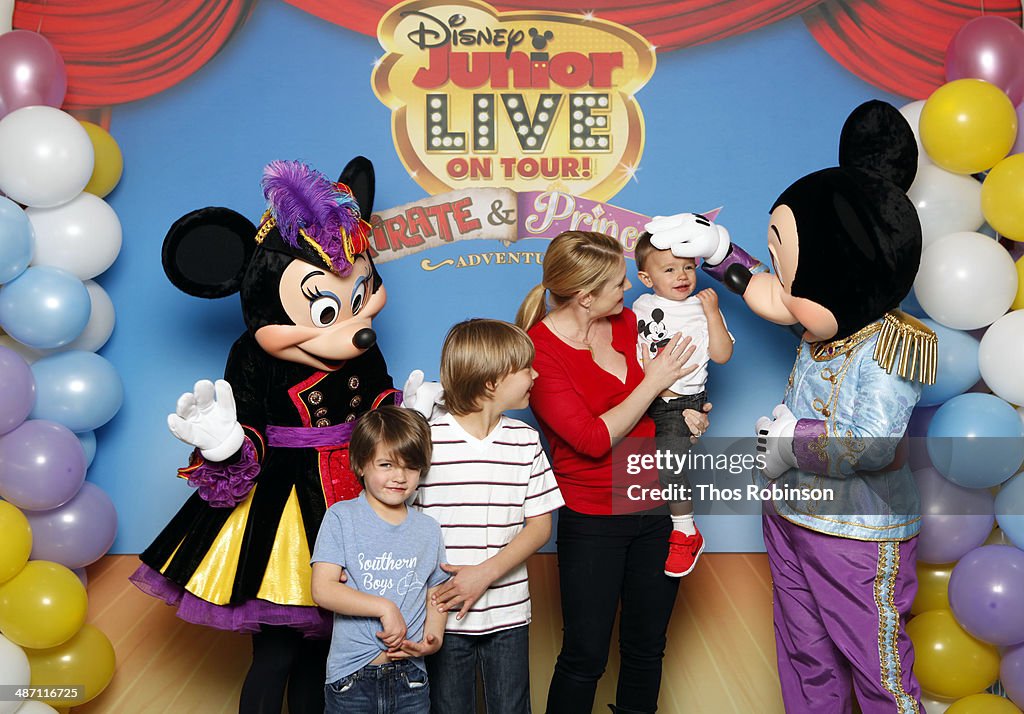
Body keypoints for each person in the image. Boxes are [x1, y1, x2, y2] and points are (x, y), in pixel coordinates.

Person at [647, 101, 934, 713]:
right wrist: (720, 247)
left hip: (857, 533)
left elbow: (874, 443)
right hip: (789, 517)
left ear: (843, 272)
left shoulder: (893, 344)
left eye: (789, 272)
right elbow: (773, 292)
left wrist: (792, 438)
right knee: (806, 659)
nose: (775, 286)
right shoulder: (822, 323)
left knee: (877, 669)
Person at [515, 230, 710, 714]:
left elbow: (673, 392)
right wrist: (656, 382)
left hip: (661, 508)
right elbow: (591, 439)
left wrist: (691, 412)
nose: (628, 291)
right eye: (619, 284)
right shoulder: (538, 352)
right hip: (595, 517)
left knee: (647, 650)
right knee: (585, 656)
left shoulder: (627, 321)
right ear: (584, 296)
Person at [414, 318, 564, 714]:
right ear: (491, 382)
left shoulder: (525, 440)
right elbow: (401, 521)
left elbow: (540, 526)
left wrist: (484, 574)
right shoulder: (427, 440)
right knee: (448, 707)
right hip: (441, 612)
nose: (536, 374)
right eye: (526, 368)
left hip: (509, 610)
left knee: (512, 708)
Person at [310, 406, 450, 714]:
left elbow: (436, 592)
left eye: (411, 467)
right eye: (386, 464)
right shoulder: (341, 518)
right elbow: (323, 590)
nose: (399, 477)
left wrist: (434, 638)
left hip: (411, 678)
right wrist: (384, 608)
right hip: (352, 677)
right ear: (361, 464)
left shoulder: (428, 529)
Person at [632, 231, 733, 576]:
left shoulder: (699, 308)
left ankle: (685, 531)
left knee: (670, 465)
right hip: (642, 399)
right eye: (670, 270)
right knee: (637, 471)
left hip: (682, 405)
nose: (682, 276)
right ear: (646, 278)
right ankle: (647, 536)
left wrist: (712, 311)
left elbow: (722, 354)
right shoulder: (639, 306)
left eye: (688, 268)